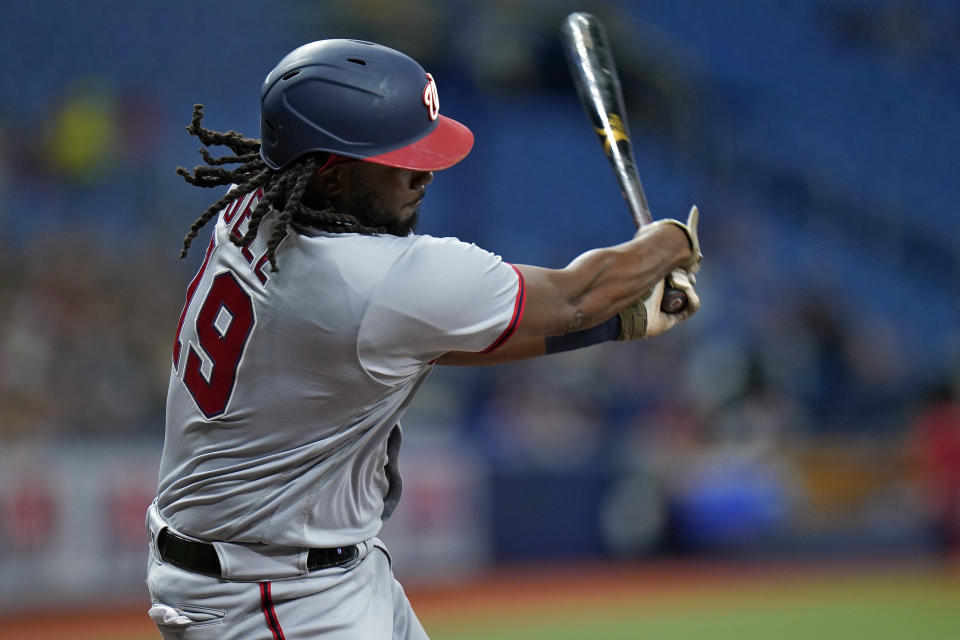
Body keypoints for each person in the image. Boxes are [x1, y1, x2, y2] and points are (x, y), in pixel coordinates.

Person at [145, 39, 702, 640]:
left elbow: (424, 340)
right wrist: (668, 242)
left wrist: (618, 321)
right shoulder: (375, 278)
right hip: (272, 598)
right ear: (329, 178)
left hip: (300, 569)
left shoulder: (252, 210)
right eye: (398, 158)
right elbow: (575, 295)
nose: (425, 172)